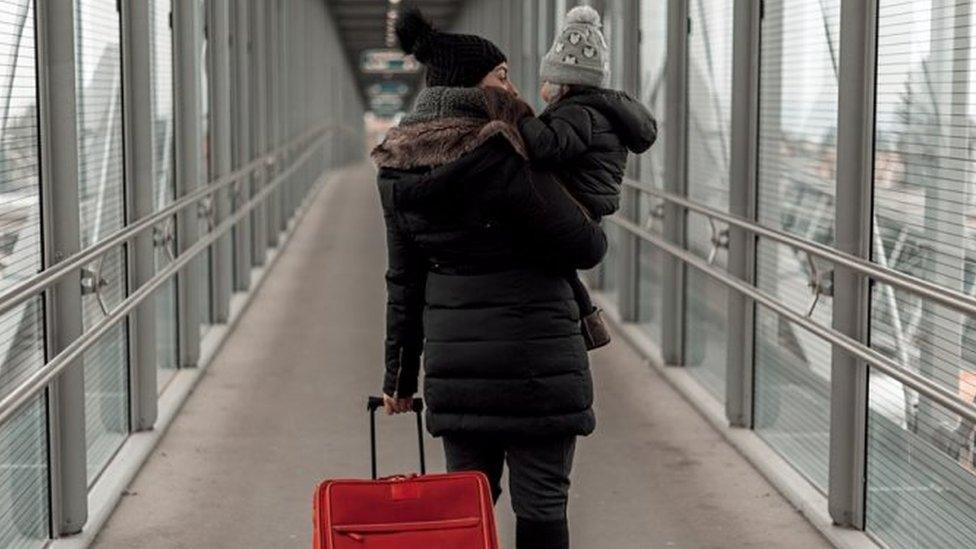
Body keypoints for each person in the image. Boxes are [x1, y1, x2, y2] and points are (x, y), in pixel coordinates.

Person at [371, 8, 607, 549]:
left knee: (464, 508)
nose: (514, 86)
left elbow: (402, 280)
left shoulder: (397, 168)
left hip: (459, 369)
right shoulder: (507, 155)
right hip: (538, 366)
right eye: (502, 75)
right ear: (472, 86)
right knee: (542, 505)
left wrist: (400, 379)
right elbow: (586, 244)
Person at [518, 5, 658, 350]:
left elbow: (547, 147)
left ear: (564, 83)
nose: (543, 86)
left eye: (548, 79)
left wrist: (519, 117)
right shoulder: (596, 111)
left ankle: (573, 325)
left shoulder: (578, 113)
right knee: (559, 268)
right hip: (584, 209)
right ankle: (588, 321)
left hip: (573, 206)